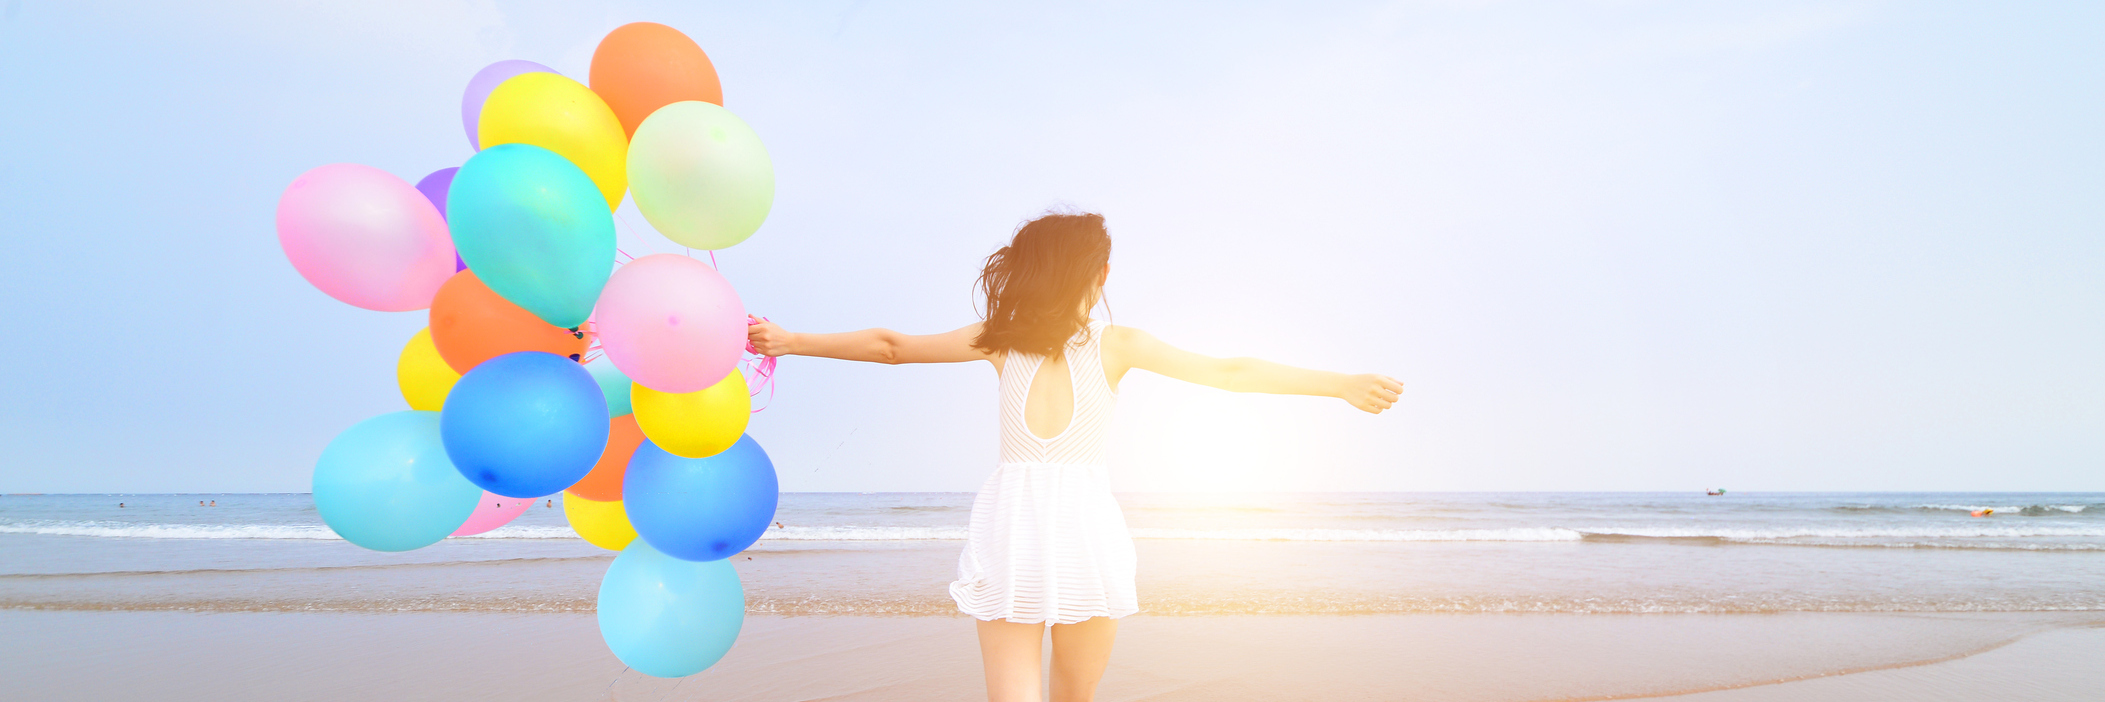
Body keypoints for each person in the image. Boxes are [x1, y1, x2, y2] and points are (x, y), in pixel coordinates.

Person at [746, 211, 1400, 702]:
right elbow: (1230, 371)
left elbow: (891, 347)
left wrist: (790, 339)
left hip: (1012, 528)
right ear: (1100, 275)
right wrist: (1337, 385)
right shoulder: (1118, 345)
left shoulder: (995, 340)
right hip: (1086, 531)